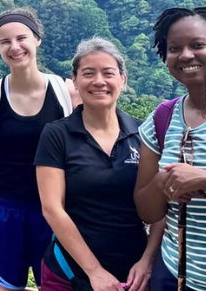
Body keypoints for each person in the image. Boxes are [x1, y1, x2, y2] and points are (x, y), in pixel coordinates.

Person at [36, 37, 163, 291]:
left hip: (133, 273)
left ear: (122, 79)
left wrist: (147, 261)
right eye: (88, 73)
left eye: (108, 73)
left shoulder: (143, 133)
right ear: (74, 79)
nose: (99, 81)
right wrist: (95, 272)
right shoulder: (57, 134)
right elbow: (52, 209)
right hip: (69, 273)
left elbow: (160, 207)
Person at [0, 8, 74, 291]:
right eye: (5, 41)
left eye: (21, 38)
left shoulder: (67, 92)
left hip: (56, 213)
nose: (14, 47)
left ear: (37, 39)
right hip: (4, 211)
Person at [133, 8, 206, 291]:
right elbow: (146, 211)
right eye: (174, 49)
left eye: (198, 45)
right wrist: (163, 182)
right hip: (173, 275)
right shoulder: (162, 119)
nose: (185, 56)